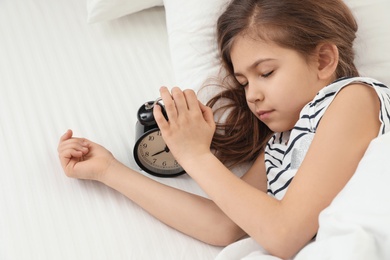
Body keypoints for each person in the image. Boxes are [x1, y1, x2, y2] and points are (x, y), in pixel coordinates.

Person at [57, 0, 390, 258]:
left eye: (267, 72)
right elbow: (226, 224)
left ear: (323, 60)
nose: (252, 95)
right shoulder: (279, 145)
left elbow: (284, 235)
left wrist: (196, 155)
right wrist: (110, 171)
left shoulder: (353, 98)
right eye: (243, 82)